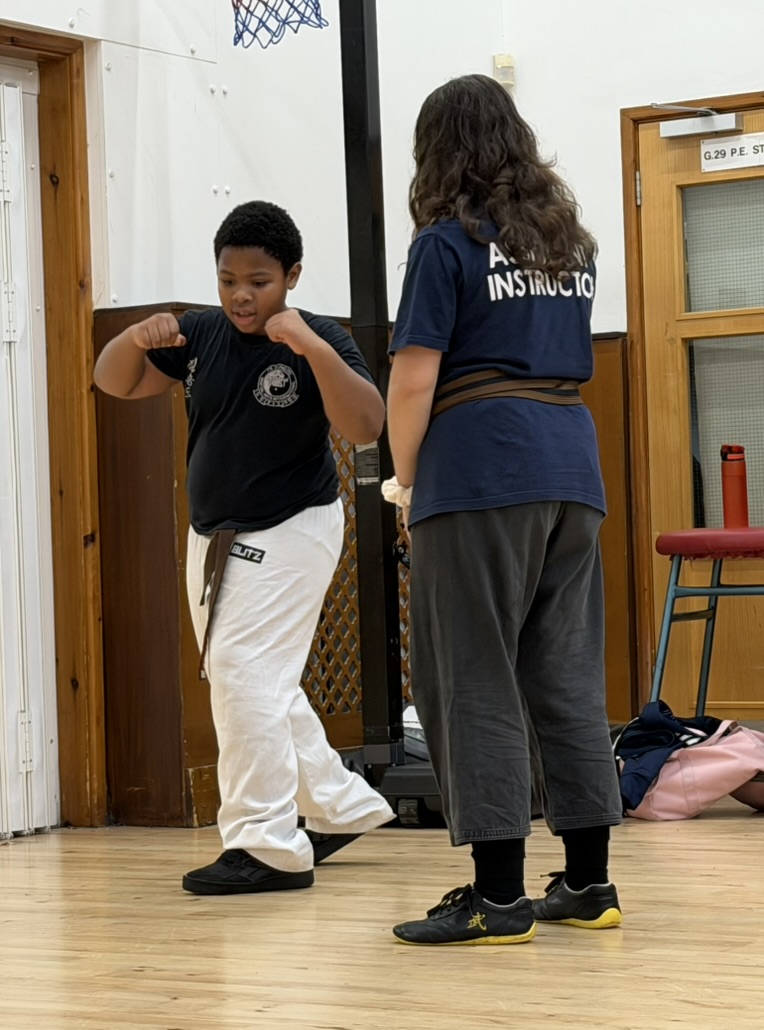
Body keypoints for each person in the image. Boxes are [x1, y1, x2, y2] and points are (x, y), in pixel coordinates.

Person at [94, 200, 394, 895]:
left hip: (291, 527)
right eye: (228, 279)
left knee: (241, 671)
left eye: (257, 281)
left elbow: (367, 423)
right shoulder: (200, 333)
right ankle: (339, 804)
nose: (240, 295)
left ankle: (267, 843)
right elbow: (115, 381)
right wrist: (134, 338)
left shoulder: (319, 336)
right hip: (215, 535)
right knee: (249, 677)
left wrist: (312, 349)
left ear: (290, 275)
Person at [384, 75, 623, 945]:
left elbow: (414, 378)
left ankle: (497, 896)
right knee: (562, 676)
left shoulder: (445, 247)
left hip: (482, 466)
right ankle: (590, 884)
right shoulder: (573, 247)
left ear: (436, 152)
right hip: (572, 463)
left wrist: (406, 486)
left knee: (471, 675)